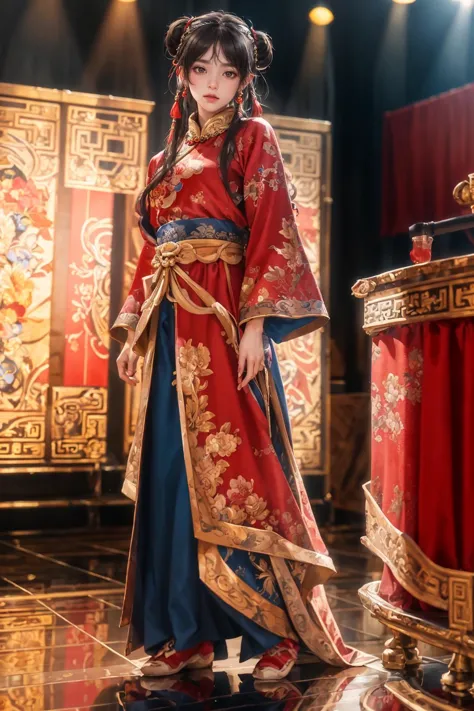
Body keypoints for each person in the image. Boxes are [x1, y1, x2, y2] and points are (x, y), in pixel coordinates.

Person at [111, 11, 371, 680]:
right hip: (172, 328)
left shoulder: (253, 139)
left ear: (245, 77)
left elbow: (273, 230)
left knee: (246, 471)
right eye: (201, 70)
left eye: (228, 72)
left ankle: (275, 631)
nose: (213, 83)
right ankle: (186, 632)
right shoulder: (162, 159)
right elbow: (154, 252)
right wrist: (133, 329)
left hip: (226, 322)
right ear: (182, 72)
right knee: (173, 477)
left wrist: (257, 322)